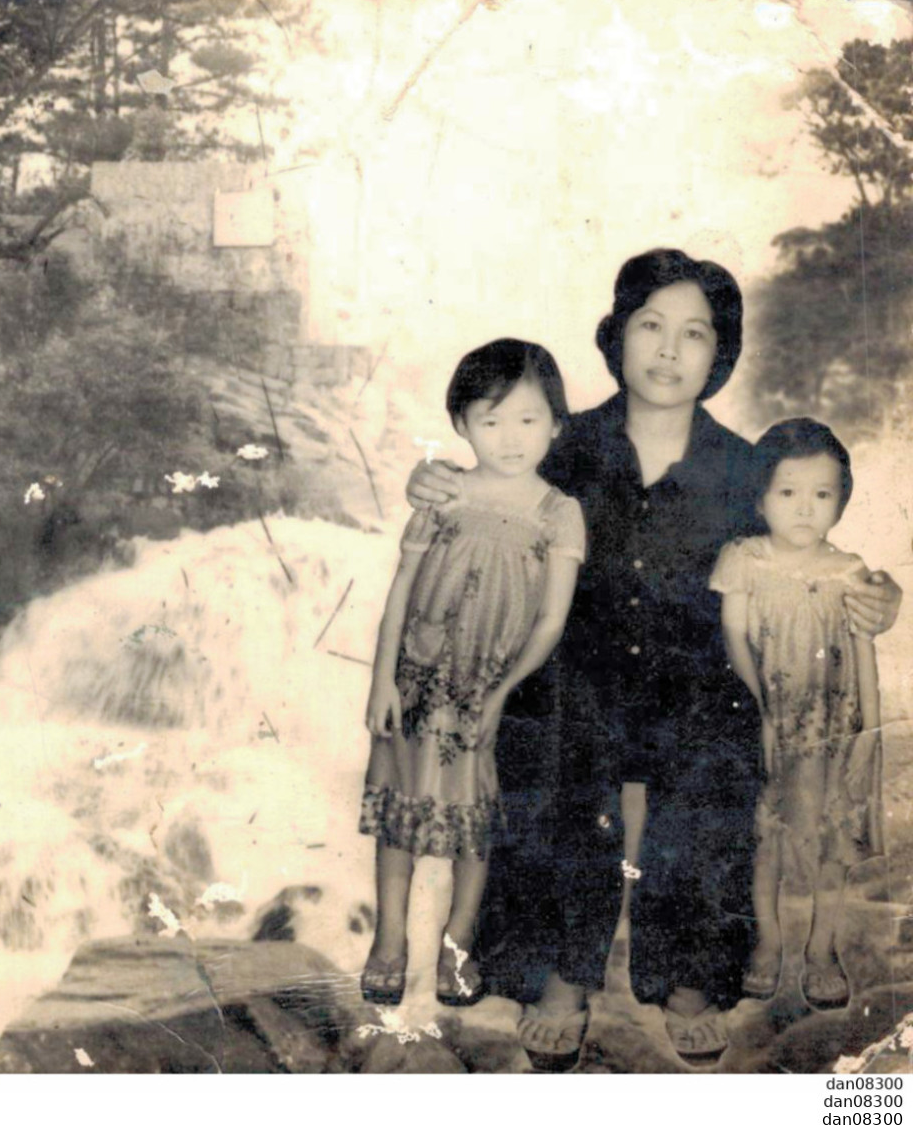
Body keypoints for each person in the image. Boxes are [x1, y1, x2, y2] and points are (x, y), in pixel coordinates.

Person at [406, 248, 903, 1068]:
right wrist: (438, 483)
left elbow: (819, 549)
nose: (669, 351)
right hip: (581, 670)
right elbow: (493, 482)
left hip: (698, 677)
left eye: (695, 334)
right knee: (553, 731)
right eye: (651, 326)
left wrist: (880, 594)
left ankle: (690, 976)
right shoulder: (566, 448)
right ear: (616, 335)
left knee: (717, 751)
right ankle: (563, 973)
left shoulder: (747, 468)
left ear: (721, 354)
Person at [360, 339, 585, 1009]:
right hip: (416, 679)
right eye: (490, 420)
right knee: (399, 818)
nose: (510, 437)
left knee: (473, 825)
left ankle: (457, 944)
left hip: (485, 690)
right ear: (460, 424)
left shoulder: (558, 511)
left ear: (556, 423)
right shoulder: (445, 491)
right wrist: (379, 681)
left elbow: (550, 620)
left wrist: (503, 693)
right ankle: (389, 940)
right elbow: (402, 584)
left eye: (527, 419)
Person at [711, 419, 882, 1010]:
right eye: (788, 493)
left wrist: (870, 735)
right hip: (768, 720)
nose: (804, 509)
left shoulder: (849, 570)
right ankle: (768, 942)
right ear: (760, 498)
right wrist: (757, 709)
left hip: (833, 731)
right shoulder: (744, 560)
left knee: (830, 845)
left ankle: (821, 949)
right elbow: (735, 637)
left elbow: (865, 658)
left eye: (821, 494)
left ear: (842, 500)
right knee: (768, 844)